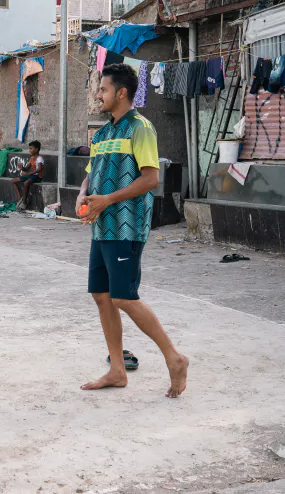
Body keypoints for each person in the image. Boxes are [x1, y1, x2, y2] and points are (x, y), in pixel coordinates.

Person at [76, 63, 189, 398]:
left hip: (127, 226)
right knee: (101, 295)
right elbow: (90, 171)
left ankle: (175, 357)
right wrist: (84, 193)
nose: (99, 95)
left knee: (124, 296)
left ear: (121, 93)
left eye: (103, 89)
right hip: (101, 226)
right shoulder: (102, 133)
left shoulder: (140, 128)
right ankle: (117, 369)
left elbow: (152, 179)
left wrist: (107, 198)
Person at [11, 141, 45, 211]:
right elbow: (26, 168)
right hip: (31, 175)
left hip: (37, 177)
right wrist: (21, 167)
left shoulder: (39, 158)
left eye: (31, 148)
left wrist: (29, 174)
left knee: (26, 183)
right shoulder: (32, 158)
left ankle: (24, 202)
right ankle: (19, 198)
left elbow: (39, 169)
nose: (29, 150)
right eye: (29, 148)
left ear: (36, 149)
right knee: (13, 181)